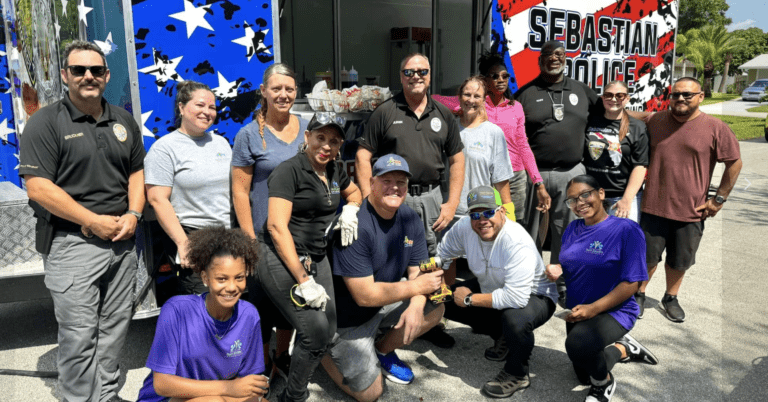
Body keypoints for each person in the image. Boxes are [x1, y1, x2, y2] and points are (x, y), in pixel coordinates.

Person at [20, 40, 145, 402]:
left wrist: (134, 214)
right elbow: (39, 188)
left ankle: (104, 395)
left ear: (106, 75)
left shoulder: (122, 119)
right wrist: (93, 221)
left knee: (114, 328)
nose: (87, 76)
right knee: (78, 334)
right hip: (72, 243)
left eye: (96, 70)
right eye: (78, 70)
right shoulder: (45, 123)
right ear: (65, 75)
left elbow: (136, 172)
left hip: (121, 241)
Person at [356, 52, 464, 348]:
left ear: (430, 75)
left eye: (422, 71)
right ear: (400, 76)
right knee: (391, 255)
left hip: (431, 198)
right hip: (393, 197)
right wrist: (369, 197)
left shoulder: (443, 114)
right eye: (409, 72)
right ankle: (380, 321)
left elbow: (457, 159)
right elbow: (363, 155)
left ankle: (432, 321)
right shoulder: (385, 112)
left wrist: (451, 202)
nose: (416, 76)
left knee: (434, 259)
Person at [322, 154, 445, 402]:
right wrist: (416, 287)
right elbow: (364, 295)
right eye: (386, 180)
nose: (395, 187)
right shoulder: (354, 225)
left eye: (401, 181)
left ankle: (382, 349)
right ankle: (322, 350)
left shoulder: (410, 217)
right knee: (371, 394)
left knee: (435, 306)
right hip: (347, 320)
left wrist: (417, 304)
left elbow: (418, 271)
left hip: (378, 304)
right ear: (372, 182)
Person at [261, 112, 362, 402]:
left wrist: (351, 208)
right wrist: (304, 281)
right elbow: (277, 228)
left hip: (317, 255)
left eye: (334, 141)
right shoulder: (288, 171)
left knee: (328, 329)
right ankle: (294, 396)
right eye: (320, 138)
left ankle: (289, 366)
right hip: (282, 255)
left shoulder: (335, 170)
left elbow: (354, 193)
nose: (326, 146)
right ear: (307, 137)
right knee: (315, 331)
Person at [435, 186, 558, 398]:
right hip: (492, 286)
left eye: (488, 212)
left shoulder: (516, 241)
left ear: (502, 211)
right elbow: (443, 254)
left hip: (534, 296)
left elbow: (515, 298)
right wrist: (436, 283)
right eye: (475, 214)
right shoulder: (465, 227)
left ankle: (517, 374)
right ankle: (501, 335)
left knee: (515, 319)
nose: (482, 220)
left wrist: (468, 298)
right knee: (440, 298)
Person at [637, 77, 742, 322]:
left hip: (691, 210)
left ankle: (670, 298)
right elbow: (631, 114)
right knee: (647, 257)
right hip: (653, 206)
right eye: (676, 94)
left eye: (687, 94)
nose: (681, 98)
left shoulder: (716, 127)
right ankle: (638, 294)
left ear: (701, 97)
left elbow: (734, 162)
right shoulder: (656, 120)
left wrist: (719, 198)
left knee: (680, 259)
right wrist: (607, 103)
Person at [545, 175, 658, 402]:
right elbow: (572, 263)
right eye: (572, 200)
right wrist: (557, 268)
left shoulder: (627, 230)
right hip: (580, 310)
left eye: (585, 195)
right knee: (582, 373)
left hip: (614, 310)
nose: (579, 203)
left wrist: (594, 309)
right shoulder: (572, 229)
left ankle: (603, 383)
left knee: (578, 346)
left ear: (601, 194)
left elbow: (632, 283)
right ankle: (622, 348)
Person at [232, 63, 308, 379]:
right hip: (263, 236)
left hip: (298, 235)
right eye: (276, 88)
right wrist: (249, 240)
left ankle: (281, 356)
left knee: (292, 303)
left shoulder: (307, 129)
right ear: (263, 92)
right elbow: (239, 191)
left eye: (289, 89)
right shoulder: (249, 135)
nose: (283, 94)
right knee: (261, 307)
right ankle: (261, 366)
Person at [137, 227, 269, 402]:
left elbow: (248, 385)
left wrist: (251, 390)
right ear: (206, 278)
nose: (231, 287)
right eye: (222, 279)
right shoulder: (176, 310)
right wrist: (229, 388)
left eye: (239, 277)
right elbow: (162, 384)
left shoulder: (249, 315)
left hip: (215, 395)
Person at [433, 51, 549, 223]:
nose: (501, 80)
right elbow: (435, 99)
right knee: (485, 222)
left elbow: (523, 145)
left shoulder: (515, 107)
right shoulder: (476, 101)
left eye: (505, 76)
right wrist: (460, 108)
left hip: (513, 176)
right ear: (485, 80)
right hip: (484, 173)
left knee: (510, 224)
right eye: (495, 76)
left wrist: (537, 181)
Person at [514, 40, 602, 264]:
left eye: (559, 54)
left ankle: (563, 280)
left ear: (565, 57)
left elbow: (610, 112)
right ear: (539, 60)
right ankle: (531, 282)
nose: (554, 58)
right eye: (548, 55)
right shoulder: (525, 94)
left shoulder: (581, 90)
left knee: (569, 231)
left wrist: (644, 118)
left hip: (571, 173)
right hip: (535, 176)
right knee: (529, 232)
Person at [145, 80, 232, 295]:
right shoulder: (164, 148)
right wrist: (183, 244)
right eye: (200, 105)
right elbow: (157, 199)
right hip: (194, 240)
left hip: (229, 240)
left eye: (212, 107)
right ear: (182, 108)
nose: (207, 112)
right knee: (202, 312)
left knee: (231, 307)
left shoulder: (221, 143)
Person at [583, 80, 649, 222]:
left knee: (623, 242)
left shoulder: (637, 127)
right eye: (608, 95)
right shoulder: (590, 122)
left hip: (622, 198)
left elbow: (640, 166)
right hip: (592, 197)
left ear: (627, 99)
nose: (613, 99)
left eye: (620, 96)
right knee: (595, 242)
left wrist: (627, 199)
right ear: (602, 98)